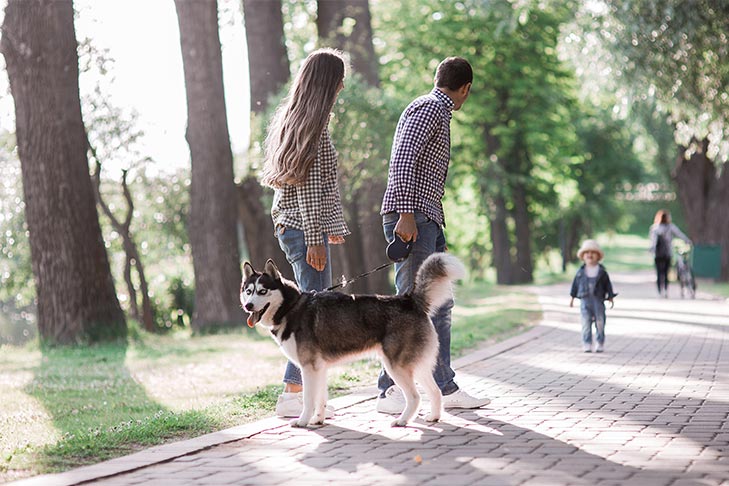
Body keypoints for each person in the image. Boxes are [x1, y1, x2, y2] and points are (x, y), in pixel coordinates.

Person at [376, 56, 491, 413]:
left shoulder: (436, 110)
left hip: (428, 218)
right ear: (465, 88)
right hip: (412, 217)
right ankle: (392, 392)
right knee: (410, 307)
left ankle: (444, 386)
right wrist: (407, 215)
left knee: (439, 304)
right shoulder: (429, 108)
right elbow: (403, 159)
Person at [260, 48, 349, 418]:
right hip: (303, 229)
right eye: (341, 78)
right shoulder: (313, 130)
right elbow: (311, 193)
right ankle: (293, 395)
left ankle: (298, 393)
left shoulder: (295, 120)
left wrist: (333, 227)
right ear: (330, 83)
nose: (344, 85)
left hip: (292, 225)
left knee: (308, 313)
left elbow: (306, 188)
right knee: (312, 318)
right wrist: (316, 237)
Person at [569, 240, 617, 353]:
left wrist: (610, 296)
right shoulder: (580, 272)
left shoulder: (602, 272)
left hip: (598, 300)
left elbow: (608, 285)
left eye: (593, 253)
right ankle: (587, 343)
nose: (590, 255)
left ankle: (600, 342)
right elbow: (575, 286)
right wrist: (572, 298)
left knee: (600, 322)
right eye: (587, 253)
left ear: (598, 256)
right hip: (585, 301)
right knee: (585, 322)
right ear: (583, 256)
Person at [649, 209, 691, 298]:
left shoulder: (654, 228)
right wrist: (687, 240)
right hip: (668, 253)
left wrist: (651, 249)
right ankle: (666, 290)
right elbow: (679, 234)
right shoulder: (670, 227)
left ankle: (660, 291)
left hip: (657, 254)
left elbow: (653, 241)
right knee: (666, 273)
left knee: (659, 273)